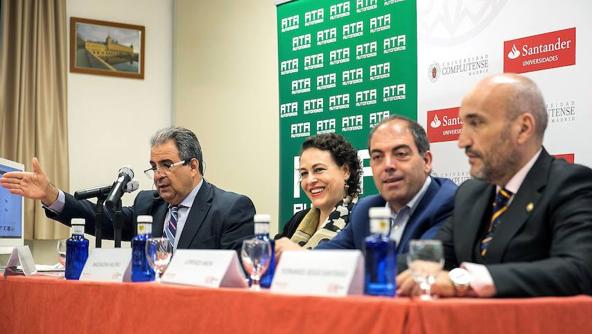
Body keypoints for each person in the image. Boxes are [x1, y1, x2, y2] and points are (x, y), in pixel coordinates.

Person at [416, 73, 592, 334]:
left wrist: (463, 280)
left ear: (523, 127)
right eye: (461, 125)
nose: (462, 141)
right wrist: (400, 271)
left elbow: (575, 272)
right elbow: (435, 256)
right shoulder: (471, 194)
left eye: (477, 123)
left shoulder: (574, 185)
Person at [0, 127, 256, 251]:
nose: (158, 175)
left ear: (192, 166)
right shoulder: (149, 204)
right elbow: (99, 219)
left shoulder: (231, 209)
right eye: (153, 167)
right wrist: (51, 195)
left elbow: (238, 278)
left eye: (166, 165)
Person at [316, 115, 457, 278]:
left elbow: (420, 264)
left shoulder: (448, 202)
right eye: (377, 157)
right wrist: (297, 257)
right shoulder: (365, 209)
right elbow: (329, 254)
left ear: (426, 161)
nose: (388, 165)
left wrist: (337, 267)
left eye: (401, 154)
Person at [274, 133, 362, 258]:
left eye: (319, 170)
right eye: (304, 173)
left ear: (345, 171)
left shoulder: (360, 218)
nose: (310, 180)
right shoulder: (297, 220)